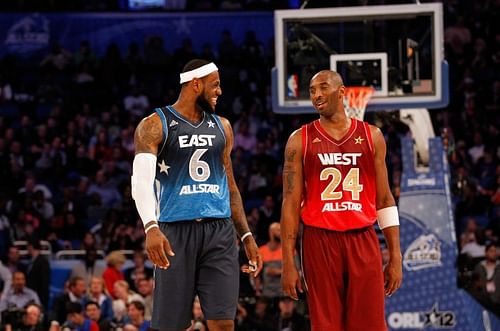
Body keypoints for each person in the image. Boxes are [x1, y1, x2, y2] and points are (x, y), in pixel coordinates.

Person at [131, 59, 262, 331]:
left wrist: (246, 235)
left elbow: (231, 185)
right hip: (175, 232)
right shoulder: (155, 124)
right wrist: (151, 227)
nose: (220, 91)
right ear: (195, 84)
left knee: (224, 323)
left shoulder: (222, 126)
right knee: (171, 326)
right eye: (215, 85)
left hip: (220, 231)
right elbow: (140, 182)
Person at [280, 70, 403, 331]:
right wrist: (288, 261)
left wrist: (395, 255)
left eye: (323, 87)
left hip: (363, 238)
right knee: (326, 325)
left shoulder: (373, 137)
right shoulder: (299, 140)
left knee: (370, 324)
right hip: (319, 240)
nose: (316, 95)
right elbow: (290, 204)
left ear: (342, 91)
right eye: (312, 91)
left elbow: (384, 198)